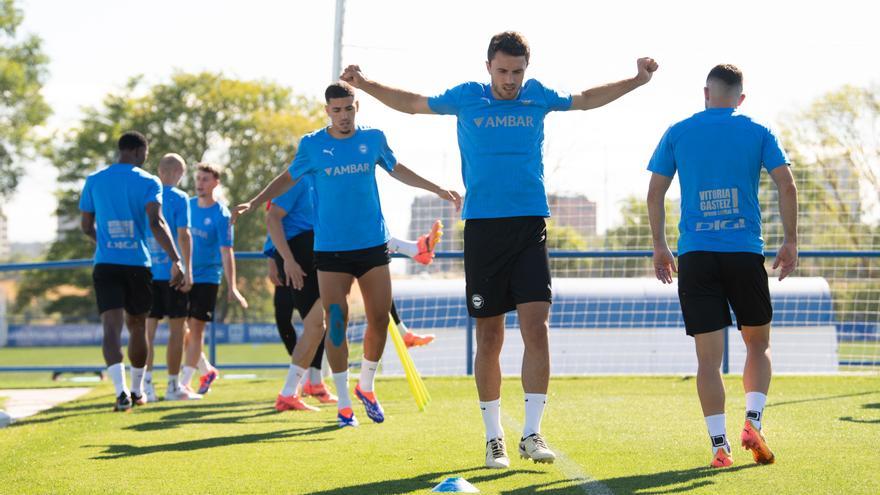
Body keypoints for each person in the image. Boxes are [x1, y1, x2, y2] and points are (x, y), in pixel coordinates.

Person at [341, 31, 657, 467]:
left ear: (528, 69)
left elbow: (585, 98)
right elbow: (413, 103)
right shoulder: (467, 97)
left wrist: (635, 80)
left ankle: (531, 432)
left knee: (536, 328)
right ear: (488, 66)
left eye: (518, 72)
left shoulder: (537, 96)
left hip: (529, 225)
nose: (510, 80)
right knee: (490, 336)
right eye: (504, 71)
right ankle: (495, 439)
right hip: (484, 230)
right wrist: (366, 85)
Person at [233, 81, 460, 428]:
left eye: (349, 108)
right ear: (327, 111)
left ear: (357, 108)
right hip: (331, 251)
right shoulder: (312, 145)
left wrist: (436, 188)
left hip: (371, 245)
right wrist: (253, 199)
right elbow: (286, 179)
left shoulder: (373, 140)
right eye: (336, 110)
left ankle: (365, 386)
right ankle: (343, 404)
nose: (343, 115)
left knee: (380, 320)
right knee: (335, 323)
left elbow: (397, 168)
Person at [646, 64, 798, 468]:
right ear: (740, 98)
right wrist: (791, 240)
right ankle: (753, 421)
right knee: (758, 345)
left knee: (708, 361)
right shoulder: (758, 130)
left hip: (696, 256)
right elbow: (787, 184)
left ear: (706, 94)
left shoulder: (679, 131)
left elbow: (655, 193)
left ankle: (719, 446)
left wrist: (660, 246)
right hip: (745, 252)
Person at [79, 131, 184, 411]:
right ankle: (137, 390)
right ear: (139, 152)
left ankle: (121, 392)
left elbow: (86, 226)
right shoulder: (149, 181)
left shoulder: (94, 180)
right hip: (138, 263)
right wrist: (177, 260)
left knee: (110, 328)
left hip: (106, 263)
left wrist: (105, 242)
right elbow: (156, 222)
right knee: (137, 326)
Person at [181, 163, 249, 395]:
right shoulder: (187, 205)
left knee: (196, 329)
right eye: (198, 178)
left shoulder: (222, 214)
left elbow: (226, 251)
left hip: (208, 278)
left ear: (215, 183)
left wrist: (233, 286)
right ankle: (206, 370)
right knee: (180, 329)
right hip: (184, 275)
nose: (200, 183)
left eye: (205, 179)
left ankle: (185, 383)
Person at [142, 153, 201, 402]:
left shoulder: (145, 194)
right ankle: (172, 386)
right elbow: (183, 235)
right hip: (172, 272)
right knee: (177, 330)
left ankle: (144, 386)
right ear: (180, 173)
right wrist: (186, 269)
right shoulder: (180, 197)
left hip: (145, 270)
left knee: (146, 332)